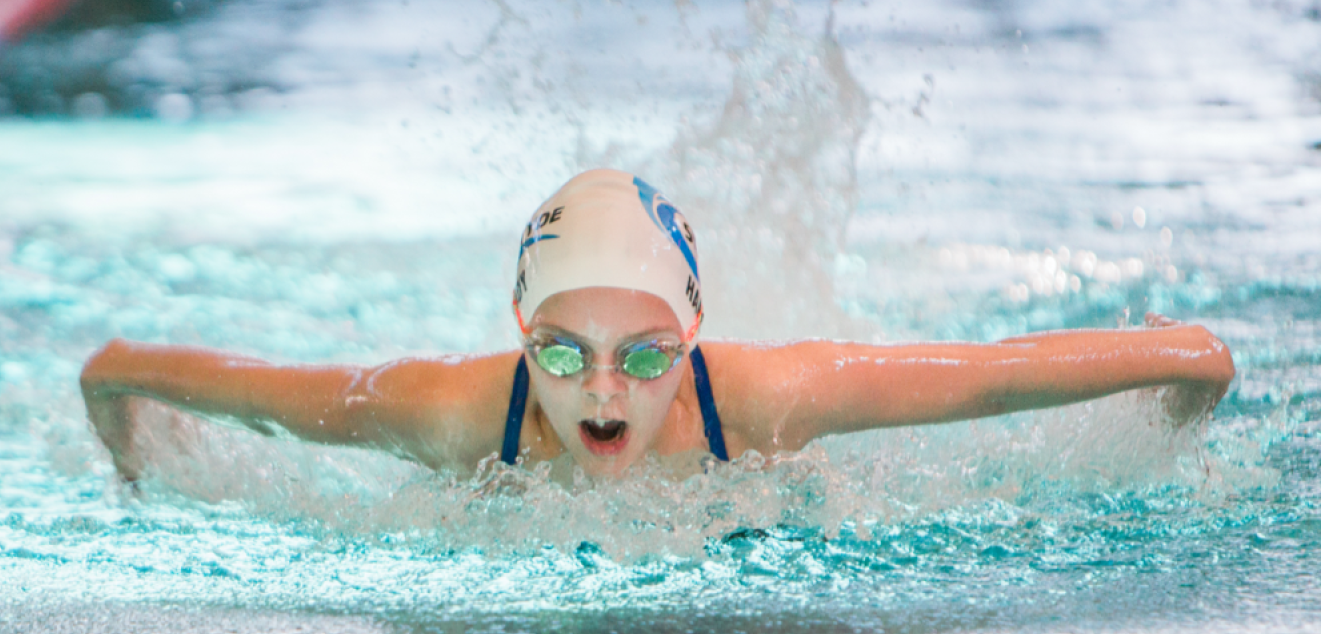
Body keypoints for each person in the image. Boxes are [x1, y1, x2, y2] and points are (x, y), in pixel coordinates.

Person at [80, 169, 1234, 482]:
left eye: (644, 355)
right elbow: (189, 377)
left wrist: (1189, 363)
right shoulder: (451, 411)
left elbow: (985, 376)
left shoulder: (767, 398)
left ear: (694, 334)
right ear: (518, 328)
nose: (604, 391)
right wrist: (124, 425)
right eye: (563, 352)